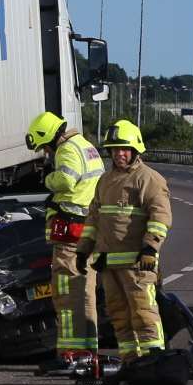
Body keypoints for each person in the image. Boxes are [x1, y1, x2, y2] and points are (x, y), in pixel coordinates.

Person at [77, 119, 171, 363]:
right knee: (119, 315)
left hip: (138, 264)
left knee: (144, 312)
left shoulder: (148, 179)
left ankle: (155, 360)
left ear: (135, 150)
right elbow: (94, 218)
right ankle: (130, 362)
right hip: (109, 264)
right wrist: (83, 250)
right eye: (115, 149)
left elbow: (160, 216)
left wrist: (151, 247)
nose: (119, 153)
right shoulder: (105, 181)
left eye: (124, 149)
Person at [25, 111, 104, 373]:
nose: (46, 153)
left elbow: (66, 180)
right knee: (86, 292)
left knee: (66, 292)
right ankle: (86, 351)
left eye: (44, 148)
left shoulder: (67, 150)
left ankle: (70, 354)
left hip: (72, 232)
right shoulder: (86, 146)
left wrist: (48, 179)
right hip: (88, 228)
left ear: (50, 139)